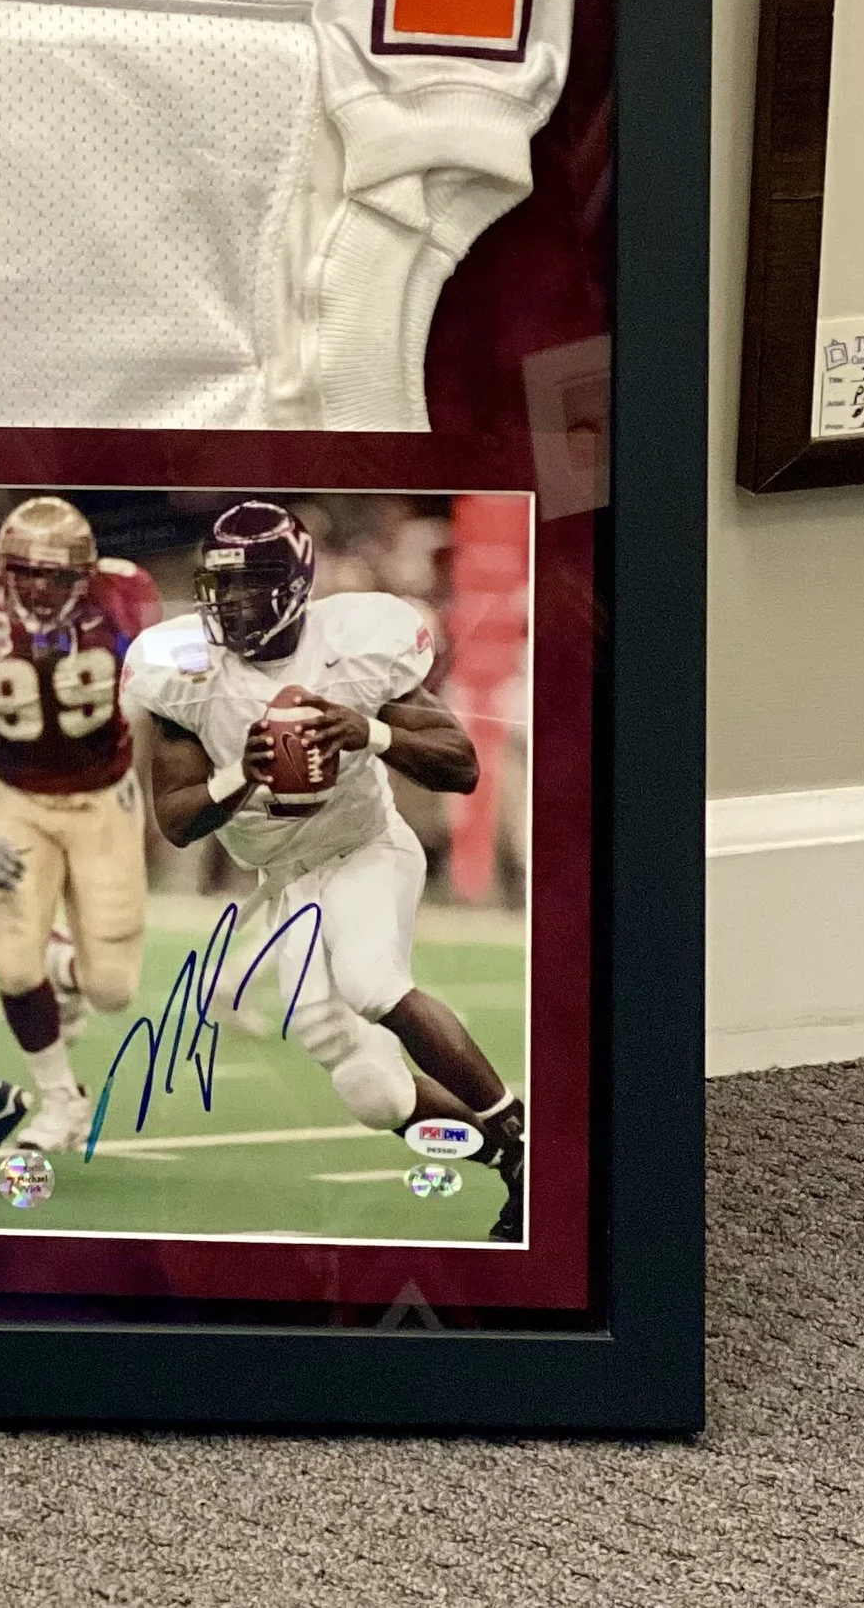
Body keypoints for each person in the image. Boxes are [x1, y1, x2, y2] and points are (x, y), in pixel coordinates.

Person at [122, 499, 526, 1241]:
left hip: (365, 847)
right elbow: (176, 821)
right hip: (286, 884)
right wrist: (238, 775)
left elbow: (462, 765)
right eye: (219, 585)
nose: (229, 603)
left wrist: (369, 731)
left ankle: (519, 1131)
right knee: (373, 1092)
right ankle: (515, 1160)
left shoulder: (355, 645)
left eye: (248, 585)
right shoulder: (183, 668)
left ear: (292, 587)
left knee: (372, 981)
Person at [0, 497, 159, 1155]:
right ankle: (62, 1100)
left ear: (85, 573)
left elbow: (170, 698)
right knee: (12, 963)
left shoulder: (125, 597)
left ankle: (63, 966)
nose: (39, 587)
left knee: (113, 990)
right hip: (14, 797)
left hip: (104, 797)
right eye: (27, 572)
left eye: (58, 575)